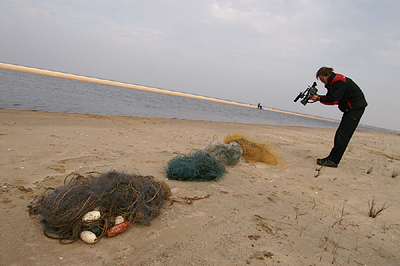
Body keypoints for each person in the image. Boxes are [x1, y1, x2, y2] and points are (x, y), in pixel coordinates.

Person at [310, 67, 367, 167]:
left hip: (355, 109)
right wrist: (319, 97)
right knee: (341, 134)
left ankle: (333, 161)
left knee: (343, 135)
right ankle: (331, 159)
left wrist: (318, 98)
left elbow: (333, 100)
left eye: (322, 79)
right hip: (351, 110)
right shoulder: (334, 82)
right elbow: (332, 97)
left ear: (328, 74)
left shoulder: (338, 81)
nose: (322, 82)